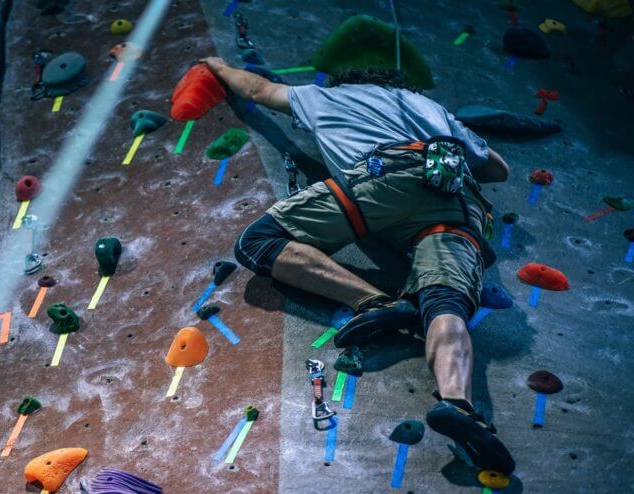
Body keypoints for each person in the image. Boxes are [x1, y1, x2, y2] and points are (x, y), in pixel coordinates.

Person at [202, 57, 516, 476]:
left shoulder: (323, 97)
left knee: (259, 242)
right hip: (457, 202)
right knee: (445, 303)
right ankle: (457, 404)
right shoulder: (433, 110)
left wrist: (218, 66)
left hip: (382, 180)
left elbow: (257, 90)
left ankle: (372, 301)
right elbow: (498, 169)